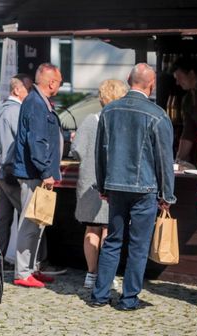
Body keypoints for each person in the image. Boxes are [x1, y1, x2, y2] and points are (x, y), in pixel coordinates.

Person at [91, 63, 176, 311]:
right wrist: (167, 195)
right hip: (145, 189)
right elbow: (164, 160)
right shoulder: (158, 115)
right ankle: (128, 299)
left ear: (129, 79)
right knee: (138, 246)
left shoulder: (109, 111)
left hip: (116, 186)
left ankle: (100, 295)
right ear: (152, 84)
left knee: (112, 241)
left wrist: (103, 185)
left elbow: (100, 154)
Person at [71, 79, 128, 289]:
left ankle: (91, 274)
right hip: (113, 181)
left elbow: (76, 151)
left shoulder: (90, 120)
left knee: (91, 228)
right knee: (109, 230)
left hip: (89, 183)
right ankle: (107, 275)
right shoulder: (123, 123)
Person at [11, 62, 63, 288]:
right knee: (30, 224)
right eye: (59, 82)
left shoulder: (38, 101)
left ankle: (31, 269)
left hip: (38, 173)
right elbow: (37, 141)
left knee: (38, 223)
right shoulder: (36, 103)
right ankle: (22, 273)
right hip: (34, 174)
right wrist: (45, 171)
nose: (59, 86)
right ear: (51, 83)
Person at [0, 73, 32, 259]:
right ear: (17, 90)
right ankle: (34, 262)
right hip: (9, 172)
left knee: (2, 218)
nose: (30, 93)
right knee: (28, 218)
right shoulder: (14, 111)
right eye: (28, 89)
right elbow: (11, 145)